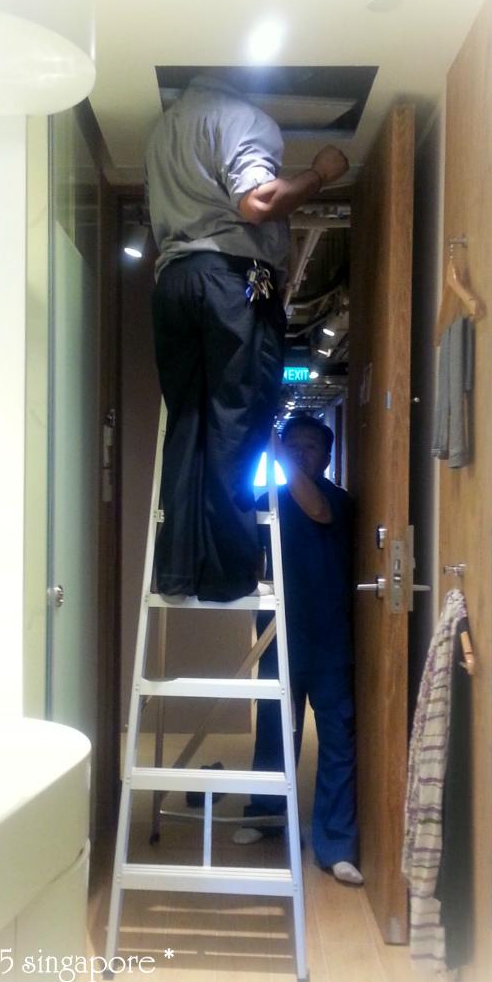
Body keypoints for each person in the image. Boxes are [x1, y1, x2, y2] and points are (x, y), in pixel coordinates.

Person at [145, 72, 348, 601]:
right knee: (238, 419)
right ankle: (226, 574)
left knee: (189, 422)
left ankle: (178, 569)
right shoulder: (240, 117)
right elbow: (257, 201)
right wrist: (319, 175)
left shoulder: (163, 130)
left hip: (175, 280)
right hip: (234, 280)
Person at [233, 414, 362, 886]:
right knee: (274, 728)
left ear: (326, 458)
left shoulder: (337, 501)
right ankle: (265, 816)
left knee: (338, 739)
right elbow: (247, 550)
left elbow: (317, 511)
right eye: (292, 445)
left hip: (331, 637)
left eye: (309, 447)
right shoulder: (270, 500)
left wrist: (278, 451)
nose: (300, 453)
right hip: (280, 634)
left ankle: (336, 845)